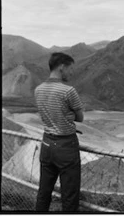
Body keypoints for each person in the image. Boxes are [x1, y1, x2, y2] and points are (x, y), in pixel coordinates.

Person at [34, 52, 84, 212]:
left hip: (47, 144)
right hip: (66, 146)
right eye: (70, 68)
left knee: (44, 192)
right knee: (69, 195)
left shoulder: (38, 90)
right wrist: (68, 115)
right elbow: (80, 117)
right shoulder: (68, 91)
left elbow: (48, 114)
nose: (71, 72)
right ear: (62, 67)